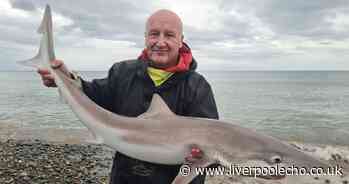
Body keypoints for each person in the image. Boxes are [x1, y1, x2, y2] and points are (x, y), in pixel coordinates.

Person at [37, 9, 219, 184]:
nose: (160, 42)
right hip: (125, 178)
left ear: (181, 41)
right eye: (154, 34)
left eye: (169, 35)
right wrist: (66, 78)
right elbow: (91, 93)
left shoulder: (197, 87)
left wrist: (205, 159)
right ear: (146, 38)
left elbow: (214, 153)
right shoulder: (122, 73)